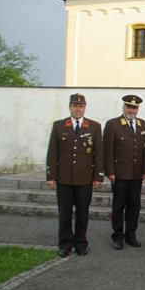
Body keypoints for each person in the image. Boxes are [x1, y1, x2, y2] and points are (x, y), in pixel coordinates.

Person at [46, 93, 104, 257]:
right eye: (75, 106)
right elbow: (52, 153)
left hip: (85, 178)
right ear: (70, 107)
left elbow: (98, 154)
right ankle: (64, 244)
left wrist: (98, 176)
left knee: (82, 213)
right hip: (64, 179)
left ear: (85, 107)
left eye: (81, 106)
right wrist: (50, 176)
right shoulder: (59, 126)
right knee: (64, 213)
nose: (78, 109)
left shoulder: (94, 126)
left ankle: (80, 243)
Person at [103, 95, 145, 250]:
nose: (131, 110)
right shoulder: (113, 124)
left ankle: (131, 235)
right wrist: (110, 172)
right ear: (123, 107)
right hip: (119, 174)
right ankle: (117, 236)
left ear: (138, 109)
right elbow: (107, 150)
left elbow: (144, 151)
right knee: (118, 206)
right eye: (129, 106)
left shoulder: (143, 125)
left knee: (134, 206)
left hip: (137, 175)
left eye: (134, 107)